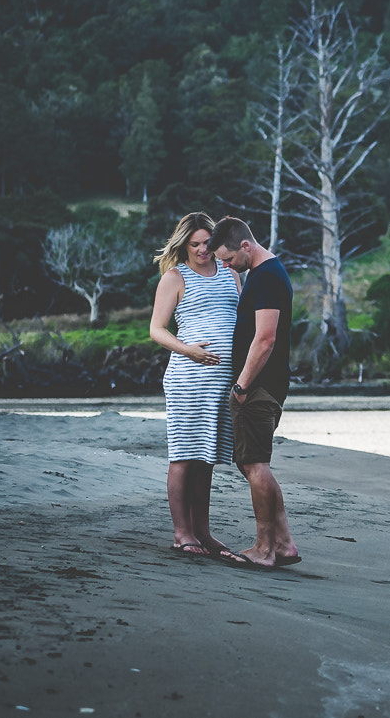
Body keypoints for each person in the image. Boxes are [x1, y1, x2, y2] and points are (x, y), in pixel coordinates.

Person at [147, 211, 242, 560]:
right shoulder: (175, 277)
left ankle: (203, 530)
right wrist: (189, 350)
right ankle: (182, 532)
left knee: (207, 458)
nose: (203, 250)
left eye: (208, 243)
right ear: (183, 245)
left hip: (223, 382)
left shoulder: (231, 274)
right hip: (189, 378)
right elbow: (157, 329)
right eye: (195, 244)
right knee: (184, 455)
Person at [211, 217, 301, 569]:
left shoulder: (264, 277)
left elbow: (265, 338)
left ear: (245, 246)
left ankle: (265, 549)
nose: (226, 266)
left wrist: (241, 386)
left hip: (259, 387)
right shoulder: (269, 272)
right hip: (266, 385)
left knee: (255, 464)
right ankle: (284, 544)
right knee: (254, 465)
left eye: (229, 259)